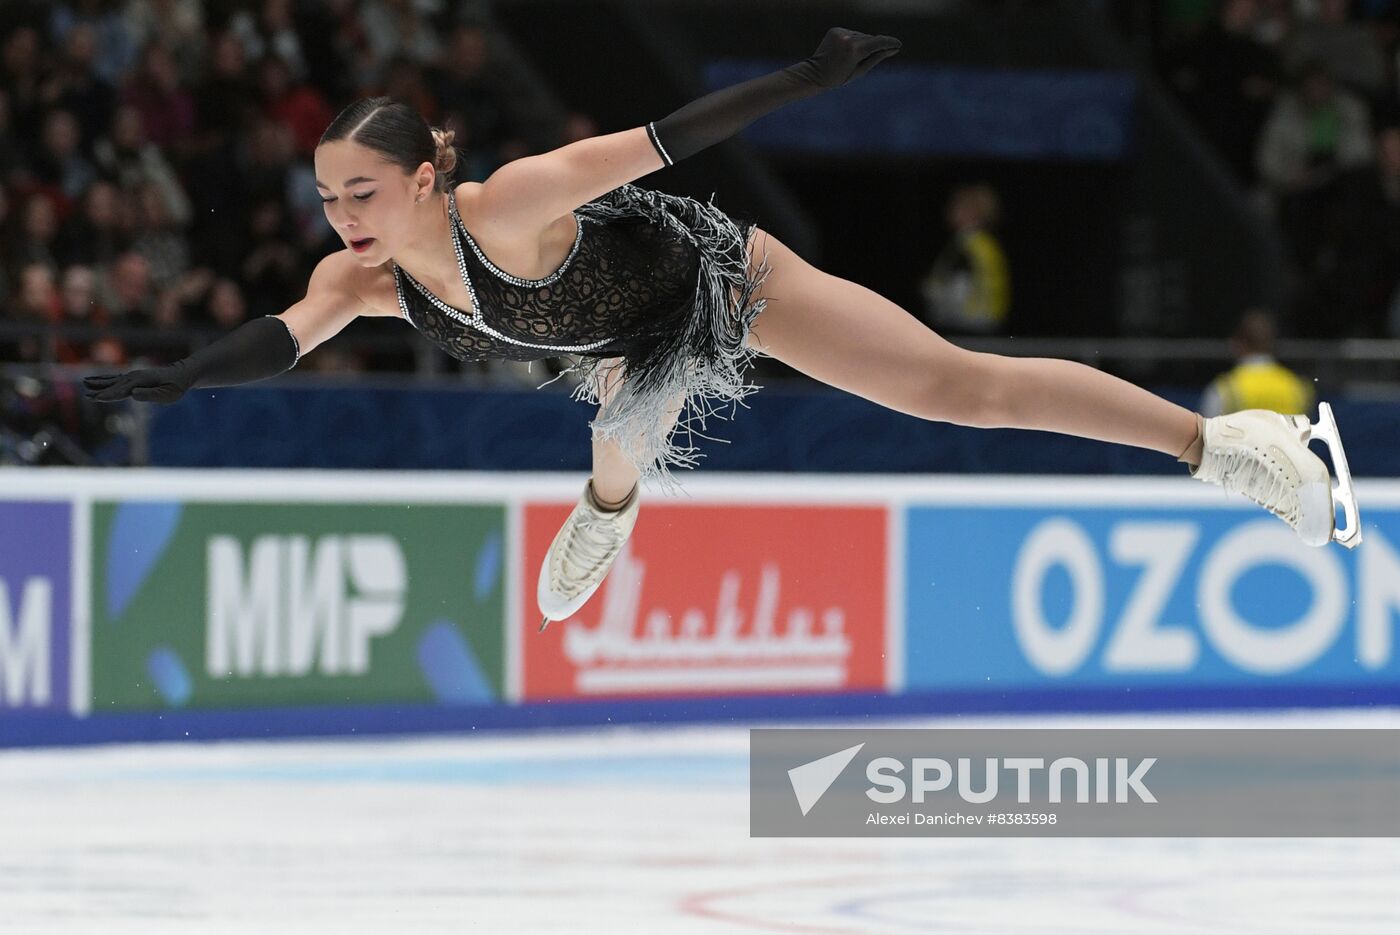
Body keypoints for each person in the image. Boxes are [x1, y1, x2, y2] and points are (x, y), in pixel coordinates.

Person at [82, 27, 1363, 633]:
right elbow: (283, 330)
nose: (340, 215)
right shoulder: (359, 278)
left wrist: (796, 84)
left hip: (716, 282)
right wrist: (184, 374)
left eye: (359, 191)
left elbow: (653, 142)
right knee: (626, 401)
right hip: (615, 349)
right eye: (326, 197)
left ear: (425, 178)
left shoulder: (510, 203)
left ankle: (1227, 447)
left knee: (952, 388)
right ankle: (609, 501)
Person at [918, 183, 1010, 335]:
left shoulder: (970, 246)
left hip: (969, 324)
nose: (949, 211)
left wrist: (933, 293)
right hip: (984, 322)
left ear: (973, 212)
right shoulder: (985, 243)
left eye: (957, 207)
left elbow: (960, 286)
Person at [1200, 309, 1314, 417]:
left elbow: (1208, 433)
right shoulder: (1298, 388)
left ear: (1238, 343)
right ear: (1272, 343)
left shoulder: (1225, 389)